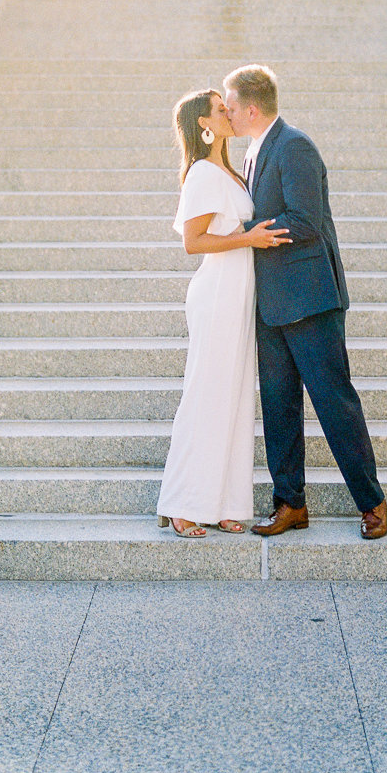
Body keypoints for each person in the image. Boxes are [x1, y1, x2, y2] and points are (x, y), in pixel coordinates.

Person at [223, 64, 387, 540]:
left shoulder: (294, 145)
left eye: (232, 107)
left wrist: (250, 236)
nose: (228, 115)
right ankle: (290, 503)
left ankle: (372, 503)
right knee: (279, 407)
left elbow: (307, 221)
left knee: (335, 404)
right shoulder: (254, 150)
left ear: (251, 108)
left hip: (310, 300)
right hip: (270, 305)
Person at [156, 88, 290, 538]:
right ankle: (182, 504)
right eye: (220, 109)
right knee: (206, 396)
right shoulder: (200, 174)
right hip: (216, 295)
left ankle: (225, 503)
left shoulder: (229, 170)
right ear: (203, 123)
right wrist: (248, 240)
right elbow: (193, 243)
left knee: (234, 400)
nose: (229, 113)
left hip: (241, 294)